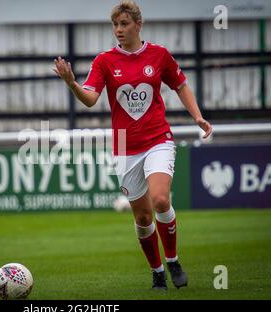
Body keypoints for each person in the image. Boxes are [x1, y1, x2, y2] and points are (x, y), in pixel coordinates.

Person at [53, 0, 212, 290]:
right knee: (141, 215)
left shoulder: (159, 55)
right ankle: (157, 272)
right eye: (115, 25)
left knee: (161, 200)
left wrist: (198, 117)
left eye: (124, 24)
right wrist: (71, 83)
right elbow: (90, 99)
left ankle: (173, 260)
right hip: (125, 147)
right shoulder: (104, 61)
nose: (118, 30)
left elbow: (180, 85)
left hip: (158, 140)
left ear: (138, 24)